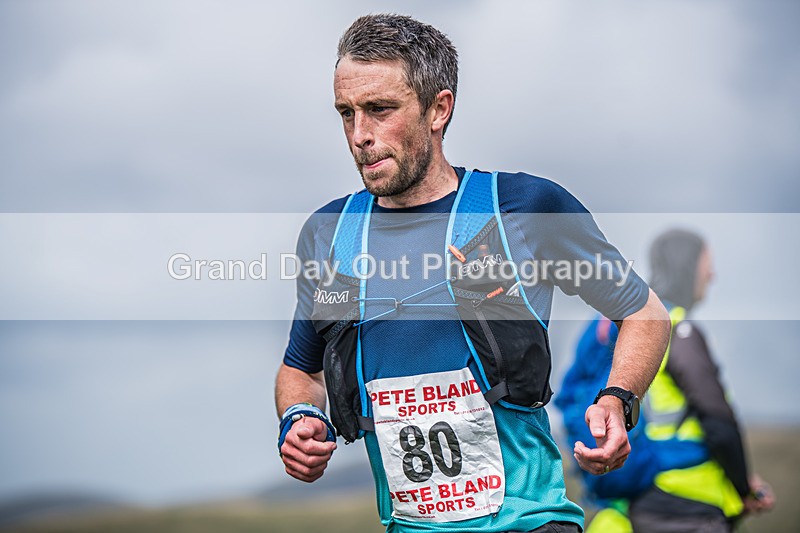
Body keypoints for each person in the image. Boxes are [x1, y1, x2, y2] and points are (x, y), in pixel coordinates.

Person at [275, 14, 671, 533]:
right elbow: (302, 371)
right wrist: (300, 418)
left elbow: (644, 312)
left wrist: (618, 398)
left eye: (379, 110)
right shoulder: (330, 234)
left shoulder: (524, 208)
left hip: (530, 523)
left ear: (439, 109)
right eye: (346, 113)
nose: (359, 135)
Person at [623, 228, 775, 532]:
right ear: (688, 267)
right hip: (689, 502)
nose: (712, 275)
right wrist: (745, 488)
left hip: (645, 492)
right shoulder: (680, 331)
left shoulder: (640, 325)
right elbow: (718, 422)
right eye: (707, 265)